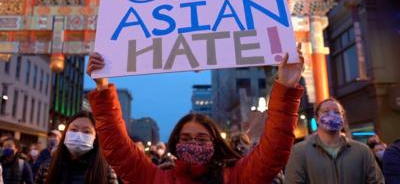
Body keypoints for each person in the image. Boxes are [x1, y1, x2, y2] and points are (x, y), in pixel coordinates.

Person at [86, 45, 304, 184]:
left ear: (214, 142)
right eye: (186, 139)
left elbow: (275, 149)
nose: (194, 144)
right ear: (175, 143)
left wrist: (285, 86)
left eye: (201, 139)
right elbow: (118, 148)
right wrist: (102, 88)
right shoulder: (157, 178)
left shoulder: (236, 176)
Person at [284, 98, 385, 184]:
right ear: (317, 119)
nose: (331, 115)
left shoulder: (362, 151)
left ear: (343, 119)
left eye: (337, 112)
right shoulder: (299, 152)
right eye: (326, 111)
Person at [35, 110, 118, 184]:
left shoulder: (106, 171)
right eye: (73, 130)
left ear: (95, 138)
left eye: (86, 131)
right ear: (65, 134)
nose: (78, 136)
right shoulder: (48, 167)